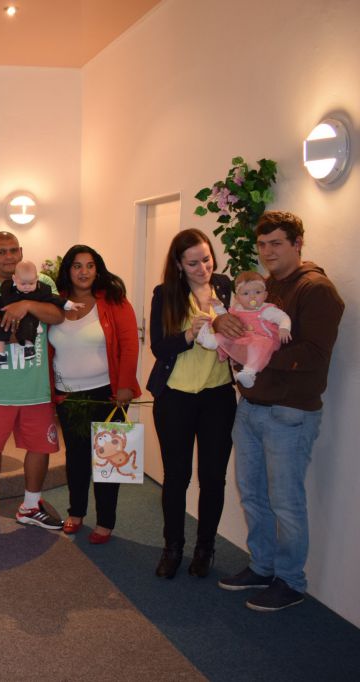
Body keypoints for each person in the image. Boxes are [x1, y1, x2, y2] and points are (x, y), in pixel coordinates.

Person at [216, 211, 343, 612]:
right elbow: (245, 324)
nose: (268, 251)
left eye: (276, 243)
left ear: (297, 244)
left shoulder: (316, 289)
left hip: (289, 414)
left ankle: (290, 581)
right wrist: (228, 329)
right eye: (262, 244)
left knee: (285, 502)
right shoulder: (266, 286)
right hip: (251, 407)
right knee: (252, 495)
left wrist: (258, 353)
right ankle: (262, 566)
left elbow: (315, 354)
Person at [0, 231, 65, 534]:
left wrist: (27, 305)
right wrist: (15, 336)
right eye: (1, 251)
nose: (8, 257)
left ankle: (31, 507)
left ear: (21, 252)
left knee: (40, 448)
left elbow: (57, 315)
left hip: (35, 389)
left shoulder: (42, 282)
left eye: (12, 250)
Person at [146, 228, 235, 579]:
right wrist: (189, 334)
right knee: (177, 477)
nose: (203, 269)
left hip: (218, 396)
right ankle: (173, 547)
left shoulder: (225, 286)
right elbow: (158, 347)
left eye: (207, 260)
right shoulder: (165, 293)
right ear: (179, 265)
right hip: (175, 397)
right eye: (193, 263)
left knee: (213, 478)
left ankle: (205, 548)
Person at [48, 245, 140, 544]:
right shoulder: (55, 302)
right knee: (76, 458)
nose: (84, 272)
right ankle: (76, 513)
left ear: (97, 269)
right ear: (68, 270)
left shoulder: (114, 301)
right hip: (68, 396)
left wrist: (125, 385)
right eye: (77, 266)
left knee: (109, 461)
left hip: (107, 395)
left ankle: (105, 522)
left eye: (89, 265)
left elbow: (130, 345)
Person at [196, 270, 292, 388]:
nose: (252, 296)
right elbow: (226, 318)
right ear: (237, 298)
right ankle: (210, 340)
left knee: (259, 345)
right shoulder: (237, 309)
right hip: (246, 341)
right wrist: (218, 307)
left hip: (266, 343)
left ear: (265, 295)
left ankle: (249, 373)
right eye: (246, 293)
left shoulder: (267, 310)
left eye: (257, 292)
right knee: (227, 334)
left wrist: (284, 328)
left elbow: (283, 317)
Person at [0, 260, 80, 364]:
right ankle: (0, 354)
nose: (27, 286)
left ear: (37, 279)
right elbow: (1, 301)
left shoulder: (41, 291)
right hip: (8, 320)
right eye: (23, 283)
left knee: (27, 324)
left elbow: (54, 299)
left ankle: (29, 347)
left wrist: (69, 304)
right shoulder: (8, 289)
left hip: (30, 320)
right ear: (14, 279)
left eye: (31, 283)